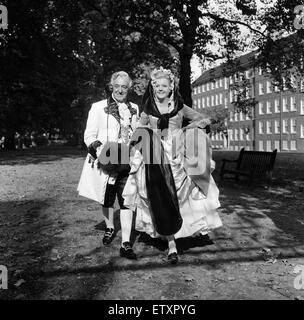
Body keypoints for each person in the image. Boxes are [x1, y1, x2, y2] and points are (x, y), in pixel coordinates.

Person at [123, 67, 222, 264]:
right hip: (154, 157)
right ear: (153, 87)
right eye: (157, 85)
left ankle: (176, 235)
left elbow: (203, 118)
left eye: (164, 86)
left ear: (171, 88)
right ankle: (171, 244)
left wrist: (189, 130)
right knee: (159, 196)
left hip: (177, 155)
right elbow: (139, 131)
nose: (160, 89)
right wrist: (140, 137)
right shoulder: (148, 109)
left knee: (179, 196)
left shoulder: (180, 107)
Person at [77, 71, 139, 259]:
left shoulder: (135, 108)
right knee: (107, 198)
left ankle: (126, 243)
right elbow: (89, 135)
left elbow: (137, 135)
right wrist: (100, 152)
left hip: (127, 161)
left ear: (129, 88)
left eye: (124, 86)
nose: (121, 90)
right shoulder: (98, 107)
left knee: (127, 199)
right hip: (107, 159)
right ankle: (110, 227)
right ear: (112, 86)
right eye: (117, 86)